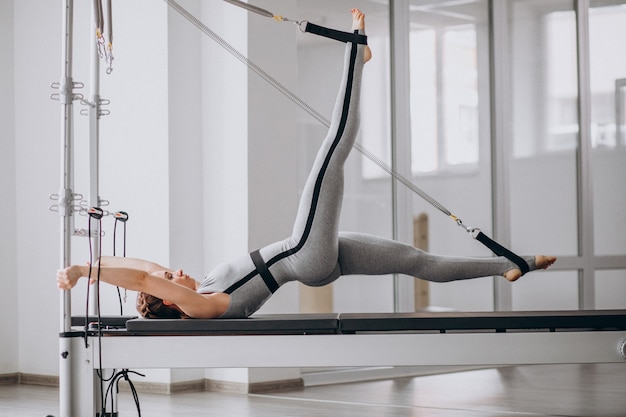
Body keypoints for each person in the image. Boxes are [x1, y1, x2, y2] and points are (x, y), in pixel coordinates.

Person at [57, 9, 556, 320]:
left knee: (414, 260)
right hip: (304, 254)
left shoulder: (200, 285)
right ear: (173, 302)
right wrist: (84, 271)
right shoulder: (202, 306)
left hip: (317, 258)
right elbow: (146, 282)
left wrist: (92, 266)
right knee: (333, 147)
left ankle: (511, 266)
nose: (176, 270)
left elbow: (144, 268)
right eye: (174, 280)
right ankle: (356, 58)